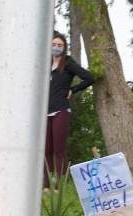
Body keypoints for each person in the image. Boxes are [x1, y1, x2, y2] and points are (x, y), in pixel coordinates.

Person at [45, 32, 95, 188]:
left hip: (61, 110)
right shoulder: (45, 64)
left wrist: (73, 89)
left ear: (64, 47)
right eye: (54, 44)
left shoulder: (67, 63)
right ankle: (46, 187)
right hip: (44, 113)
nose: (56, 47)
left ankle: (59, 186)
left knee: (59, 150)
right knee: (46, 150)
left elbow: (89, 78)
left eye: (60, 45)